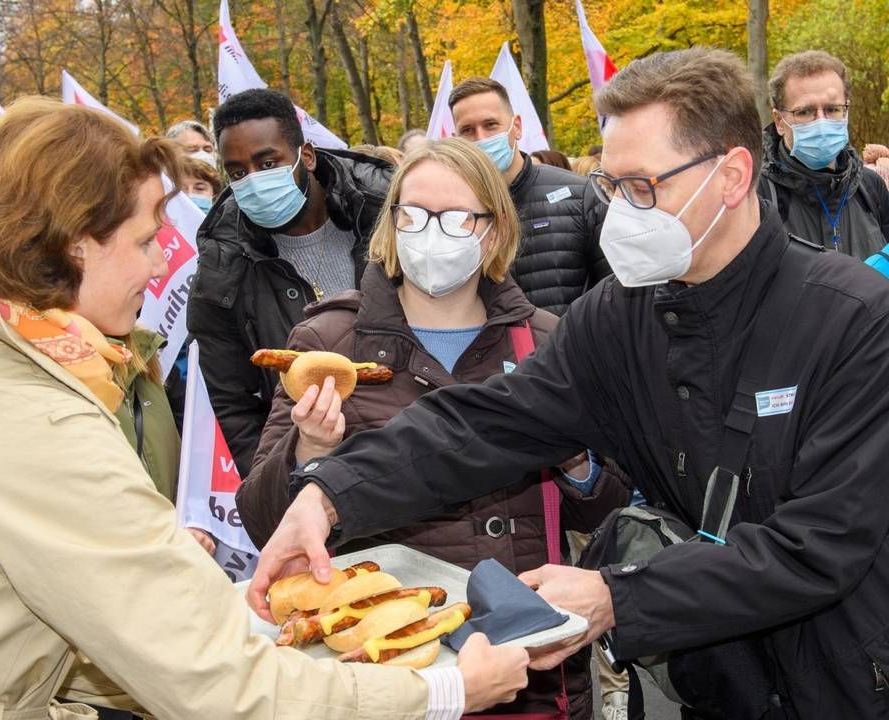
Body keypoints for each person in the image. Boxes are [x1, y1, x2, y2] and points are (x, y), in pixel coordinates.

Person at [249, 47, 889, 720]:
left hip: (847, 681)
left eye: (643, 188)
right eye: (612, 186)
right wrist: (327, 495)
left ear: (730, 177)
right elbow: (485, 423)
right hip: (715, 686)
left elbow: (820, 544)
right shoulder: (621, 317)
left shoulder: (853, 320)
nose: (619, 213)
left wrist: (620, 595)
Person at [0, 96, 530, 720]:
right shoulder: (39, 424)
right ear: (76, 244)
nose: (162, 262)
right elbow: (220, 688)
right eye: (144, 241)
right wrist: (443, 691)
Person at [239, 138, 631, 718]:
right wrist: (309, 450)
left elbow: (605, 509)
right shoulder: (329, 342)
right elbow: (265, 522)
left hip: (523, 656)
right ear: (391, 223)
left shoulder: (545, 341)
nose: (430, 233)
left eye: (454, 218)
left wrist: (578, 462)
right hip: (391, 666)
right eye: (414, 215)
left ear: (493, 231)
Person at [186, 88, 395, 476]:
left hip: (410, 455)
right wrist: (280, 485)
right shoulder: (221, 271)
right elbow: (233, 404)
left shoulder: (389, 222)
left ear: (307, 156)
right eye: (236, 172)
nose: (253, 181)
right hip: (311, 476)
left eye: (267, 164)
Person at [449, 77, 609, 315]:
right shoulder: (449, 213)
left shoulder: (580, 195)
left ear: (516, 127)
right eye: (468, 131)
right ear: (456, 140)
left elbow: (615, 290)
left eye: (491, 125)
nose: (481, 139)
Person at [758, 50, 889, 257]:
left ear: (846, 110)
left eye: (832, 109)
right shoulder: (758, 197)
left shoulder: (871, 187)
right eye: (805, 112)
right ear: (778, 121)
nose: (821, 122)